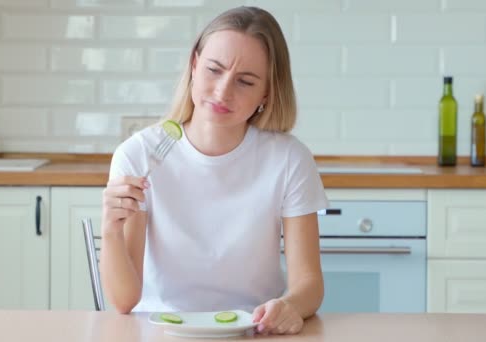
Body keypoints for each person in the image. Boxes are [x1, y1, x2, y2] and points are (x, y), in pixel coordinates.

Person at [100, 6, 328, 335]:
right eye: (213, 70)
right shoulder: (137, 155)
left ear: (267, 92)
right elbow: (124, 301)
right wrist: (110, 229)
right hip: (162, 330)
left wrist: (289, 306)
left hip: (253, 330)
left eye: (245, 82)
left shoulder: (289, 160)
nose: (223, 92)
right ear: (194, 65)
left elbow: (309, 283)